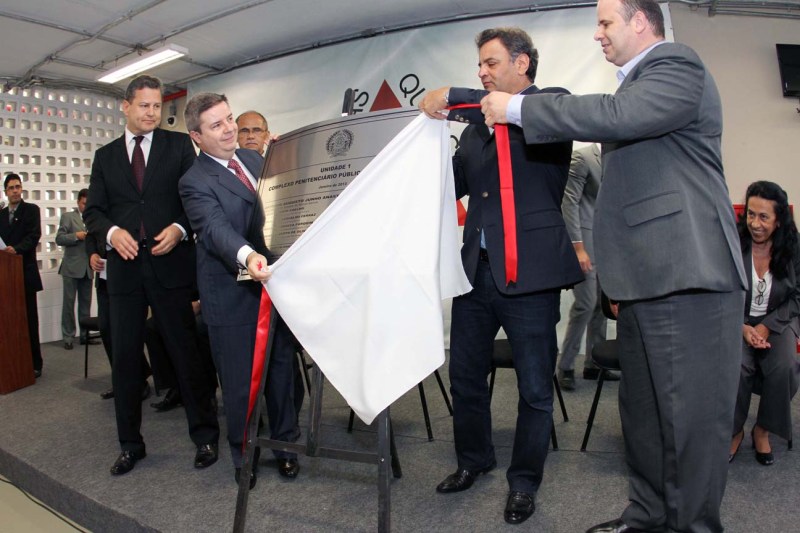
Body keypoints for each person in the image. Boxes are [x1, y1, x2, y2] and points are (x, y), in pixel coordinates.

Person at [437, 1, 749, 531]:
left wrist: (505, 108)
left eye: (606, 22)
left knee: (690, 424)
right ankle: (648, 514)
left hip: (687, 274)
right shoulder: (632, 87)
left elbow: (613, 115)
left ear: (641, 22)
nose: (598, 34)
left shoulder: (676, 66)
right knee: (644, 416)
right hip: (644, 279)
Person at [418, 28, 583, 525]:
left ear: (523, 63)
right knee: (466, 377)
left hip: (530, 279)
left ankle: (524, 482)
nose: (483, 72)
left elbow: (535, 109)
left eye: (491, 63)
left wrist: (453, 96)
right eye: (479, 67)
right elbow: (453, 185)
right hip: (477, 275)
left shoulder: (551, 107)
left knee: (534, 389)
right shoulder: (474, 131)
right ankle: (474, 460)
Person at [83, 75, 220, 476]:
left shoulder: (178, 146)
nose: (151, 113)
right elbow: (94, 211)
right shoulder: (105, 157)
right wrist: (111, 232)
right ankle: (130, 444)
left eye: (157, 106)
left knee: (185, 355)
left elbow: (196, 197)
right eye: (143, 105)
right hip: (124, 273)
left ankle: (205, 436)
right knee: (125, 361)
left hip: (169, 266)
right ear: (125, 106)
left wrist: (179, 229)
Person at [179, 93, 304, 488]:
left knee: (282, 374)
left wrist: (290, 162)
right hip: (231, 294)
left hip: (274, 288)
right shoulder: (193, 181)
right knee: (239, 383)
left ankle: (286, 447)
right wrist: (249, 257)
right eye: (217, 125)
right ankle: (244, 454)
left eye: (229, 118)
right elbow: (215, 229)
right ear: (197, 136)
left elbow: (277, 207)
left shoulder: (253, 159)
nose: (230, 128)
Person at [729, 181, 800, 466]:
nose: (755, 223)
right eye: (750, 214)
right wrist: (742, 327)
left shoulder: (793, 249)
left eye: (764, 217)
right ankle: (733, 431)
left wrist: (766, 326)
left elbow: (797, 296)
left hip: (778, 320)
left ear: (779, 220)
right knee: (737, 366)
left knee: (785, 365)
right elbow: (720, 292)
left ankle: (763, 430)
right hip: (737, 320)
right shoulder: (733, 241)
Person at [557, 144, 617, 390]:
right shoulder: (582, 157)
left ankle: (594, 363)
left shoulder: (618, 157)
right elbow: (569, 203)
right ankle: (566, 366)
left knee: (601, 306)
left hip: (608, 241)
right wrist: (577, 247)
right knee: (585, 303)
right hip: (584, 240)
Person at [85, 230, 153, 401]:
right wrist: (92, 254)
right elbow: (91, 237)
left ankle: (138, 381)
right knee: (107, 330)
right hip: (104, 281)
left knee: (127, 332)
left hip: (126, 278)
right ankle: (121, 380)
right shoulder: (99, 215)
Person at [0, 173, 43, 378]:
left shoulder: (31, 210)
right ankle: (13, 361)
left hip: (24, 273)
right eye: (11, 188)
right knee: (9, 321)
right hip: (6, 276)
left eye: (18, 186)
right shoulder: (0, 214)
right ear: (6, 191)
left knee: (29, 321)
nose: (15, 190)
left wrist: (15, 249)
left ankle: (35, 363)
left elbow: (34, 237)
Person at [55, 188, 94, 350]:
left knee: (86, 304)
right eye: (84, 203)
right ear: (78, 202)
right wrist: (75, 236)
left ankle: (84, 336)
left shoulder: (94, 218)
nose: (86, 206)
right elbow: (59, 238)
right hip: (71, 268)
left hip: (88, 268)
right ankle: (68, 336)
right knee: (69, 304)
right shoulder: (68, 217)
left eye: (88, 204)